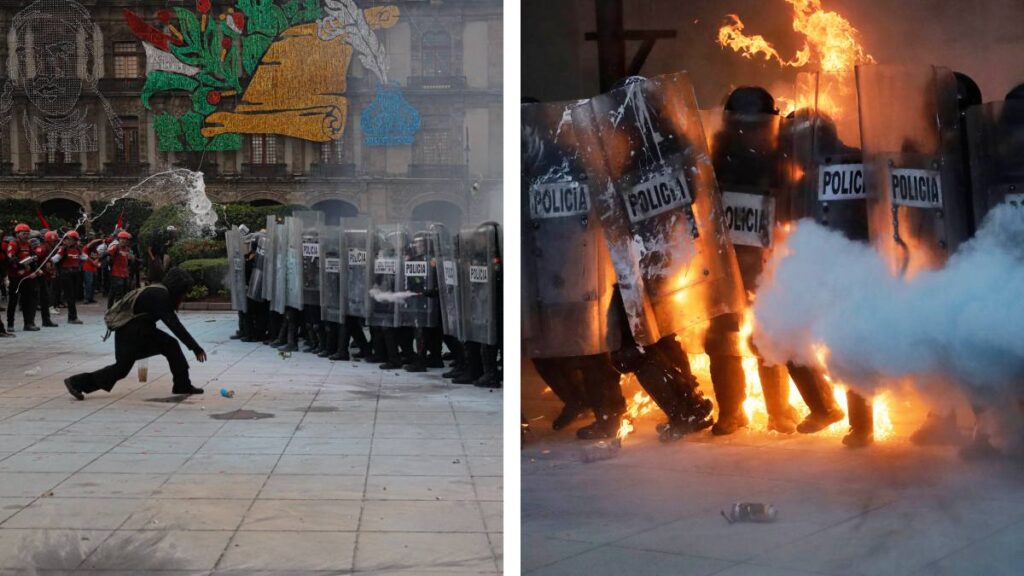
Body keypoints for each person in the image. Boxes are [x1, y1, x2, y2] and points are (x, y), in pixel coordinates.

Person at [63, 267, 206, 399]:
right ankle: (76, 382)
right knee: (122, 369)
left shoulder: (158, 291)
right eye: (184, 291)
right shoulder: (160, 296)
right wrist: (195, 347)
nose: (184, 295)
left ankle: (182, 385)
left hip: (137, 331)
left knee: (168, 347)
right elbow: (174, 325)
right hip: (132, 333)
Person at [54, 230, 84, 324]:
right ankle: (72, 318)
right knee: (70, 297)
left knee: (74, 296)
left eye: (74, 240)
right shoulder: (63, 249)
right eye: (70, 239)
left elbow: (85, 257)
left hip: (75, 274)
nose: (72, 241)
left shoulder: (78, 249)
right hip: (66, 275)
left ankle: (72, 317)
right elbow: (55, 259)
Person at [106, 230, 135, 308]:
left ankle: (117, 308)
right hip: (116, 272)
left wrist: (132, 258)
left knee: (124, 290)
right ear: (119, 239)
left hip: (125, 273)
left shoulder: (128, 249)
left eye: (125, 239)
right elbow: (107, 253)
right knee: (117, 291)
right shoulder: (115, 247)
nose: (124, 241)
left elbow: (132, 259)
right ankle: (113, 308)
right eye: (122, 239)